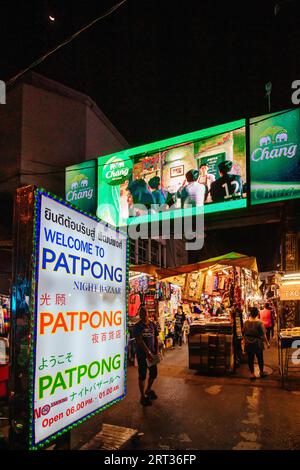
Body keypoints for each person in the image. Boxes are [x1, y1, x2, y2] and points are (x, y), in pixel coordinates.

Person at [133, 306, 159, 406]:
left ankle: (148, 389)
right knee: (142, 375)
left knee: (154, 373)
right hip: (142, 356)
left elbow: (156, 338)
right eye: (141, 313)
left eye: (144, 313)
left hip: (152, 355)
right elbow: (139, 341)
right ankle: (142, 396)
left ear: (148, 313)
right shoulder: (137, 326)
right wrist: (148, 353)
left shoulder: (152, 325)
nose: (143, 315)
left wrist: (156, 351)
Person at [243, 306, 270, 380]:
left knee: (250, 358)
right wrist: (267, 343)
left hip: (248, 342)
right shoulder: (259, 322)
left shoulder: (246, 322)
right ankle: (261, 372)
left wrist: (243, 341)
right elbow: (264, 334)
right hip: (257, 342)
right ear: (257, 314)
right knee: (260, 358)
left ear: (250, 314)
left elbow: (243, 332)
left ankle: (252, 374)